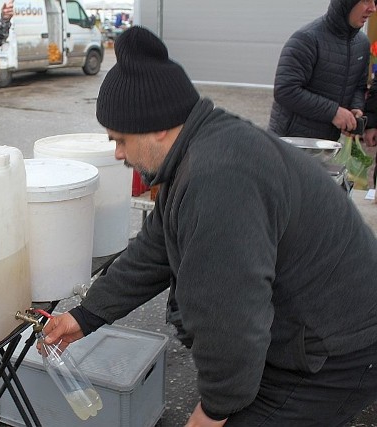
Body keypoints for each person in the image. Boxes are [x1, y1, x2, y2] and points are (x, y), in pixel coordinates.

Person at [41, 26, 377, 426]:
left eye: (120, 139)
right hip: (307, 332)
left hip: (334, 351)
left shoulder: (217, 178)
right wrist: (86, 316)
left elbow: (229, 318)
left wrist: (214, 410)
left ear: (158, 126)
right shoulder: (202, 147)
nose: (117, 153)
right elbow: (155, 249)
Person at [268, 0, 375, 141]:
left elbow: (359, 86)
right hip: (291, 142)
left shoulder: (362, 43)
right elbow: (285, 90)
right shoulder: (307, 39)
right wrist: (333, 112)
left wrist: (355, 108)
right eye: (366, 1)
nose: (373, 8)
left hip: (327, 144)